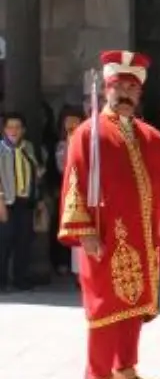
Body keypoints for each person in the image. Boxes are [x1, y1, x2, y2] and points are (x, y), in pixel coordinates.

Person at [57, 50, 160, 379]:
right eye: (119, 87)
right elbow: (74, 184)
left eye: (132, 88)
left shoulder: (151, 137)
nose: (125, 94)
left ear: (140, 93)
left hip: (144, 238)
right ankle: (98, 377)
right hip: (106, 237)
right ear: (107, 89)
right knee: (104, 306)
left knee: (132, 306)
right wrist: (86, 234)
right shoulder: (88, 134)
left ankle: (124, 368)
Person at [0, 110, 43, 292]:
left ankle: (20, 278)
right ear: (4, 130)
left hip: (25, 201)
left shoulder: (29, 148)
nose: (14, 130)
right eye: (10, 127)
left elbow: (37, 173)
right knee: (4, 241)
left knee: (23, 241)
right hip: (5, 202)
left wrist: (38, 198)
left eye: (17, 127)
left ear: (23, 130)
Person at [48, 106, 83, 278]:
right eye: (68, 121)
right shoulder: (60, 144)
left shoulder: (89, 142)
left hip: (83, 192)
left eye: (76, 120)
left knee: (81, 230)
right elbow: (61, 167)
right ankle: (61, 262)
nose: (72, 124)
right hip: (64, 190)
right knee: (63, 227)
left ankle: (79, 271)